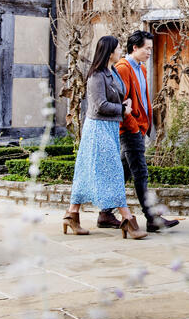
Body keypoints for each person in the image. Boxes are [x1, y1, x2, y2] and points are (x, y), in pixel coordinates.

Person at [63, 35, 147, 240]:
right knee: (114, 172)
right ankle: (127, 219)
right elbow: (100, 105)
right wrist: (123, 110)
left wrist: (124, 104)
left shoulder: (113, 72)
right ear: (110, 52)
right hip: (98, 129)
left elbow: (118, 94)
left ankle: (71, 215)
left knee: (85, 173)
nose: (121, 51)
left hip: (110, 128)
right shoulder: (96, 76)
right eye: (118, 48)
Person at [115, 29, 180, 233]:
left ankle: (105, 212)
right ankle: (152, 218)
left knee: (123, 171)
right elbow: (122, 102)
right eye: (147, 48)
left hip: (139, 128)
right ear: (135, 47)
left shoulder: (141, 68)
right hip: (129, 129)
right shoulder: (123, 68)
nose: (150, 52)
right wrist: (134, 127)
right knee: (141, 172)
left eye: (151, 48)